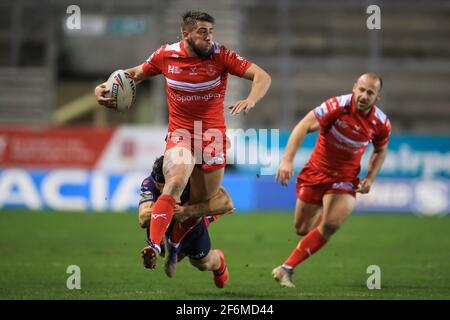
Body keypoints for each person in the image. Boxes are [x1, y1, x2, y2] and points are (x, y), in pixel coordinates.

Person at [95, 11, 271, 269]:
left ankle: (189, 249)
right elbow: (132, 75)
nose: (209, 37)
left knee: (197, 206)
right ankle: (155, 244)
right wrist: (102, 88)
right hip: (181, 134)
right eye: (202, 31)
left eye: (211, 31)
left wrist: (251, 99)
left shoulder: (221, 55)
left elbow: (262, 76)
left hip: (212, 139)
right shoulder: (166, 55)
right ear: (185, 34)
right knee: (175, 181)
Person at [273, 73, 391, 288]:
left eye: (370, 93)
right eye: (362, 90)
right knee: (301, 228)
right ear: (354, 87)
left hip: (345, 178)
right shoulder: (336, 106)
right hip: (316, 173)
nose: (364, 96)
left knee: (332, 224)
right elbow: (303, 125)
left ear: (378, 97)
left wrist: (370, 178)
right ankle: (322, 217)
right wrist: (287, 160)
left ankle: (286, 268)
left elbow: (380, 150)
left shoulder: (381, 123)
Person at [139, 156, 235, 288]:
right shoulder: (148, 183)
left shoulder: (191, 178)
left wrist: (186, 211)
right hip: (166, 222)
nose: (162, 191)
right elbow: (143, 218)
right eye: (158, 186)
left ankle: (219, 262)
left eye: (164, 186)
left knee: (202, 264)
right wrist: (168, 211)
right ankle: (172, 247)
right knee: (165, 253)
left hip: (191, 223)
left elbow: (227, 204)